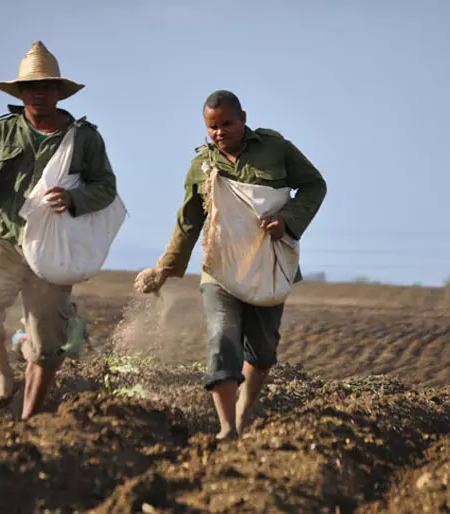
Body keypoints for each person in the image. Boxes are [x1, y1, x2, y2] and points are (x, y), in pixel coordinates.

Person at [134, 90, 327, 439]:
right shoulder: (201, 166)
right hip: (219, 266)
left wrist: (288, 220)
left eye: (226, 123)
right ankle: (227, 427)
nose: (220, 132)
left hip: (268, 264)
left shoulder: (276, 148)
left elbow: (315, 185)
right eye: (212, 127)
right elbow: (189, 220)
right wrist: (164, 268)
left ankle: (244, 408)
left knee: (263, 351)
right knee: (221, 338)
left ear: (243, 118)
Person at [0, 41, 117, 420]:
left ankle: (28, 419)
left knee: (46, 345)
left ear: (59, 92)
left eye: (47, 86)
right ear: (20, 92)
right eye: (31, 87)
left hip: (55, 247)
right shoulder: (1, 132)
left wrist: (75, 199)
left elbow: (106, 187)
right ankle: (3, 376)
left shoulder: (84, 138)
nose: (39, 93)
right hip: (7, 239)